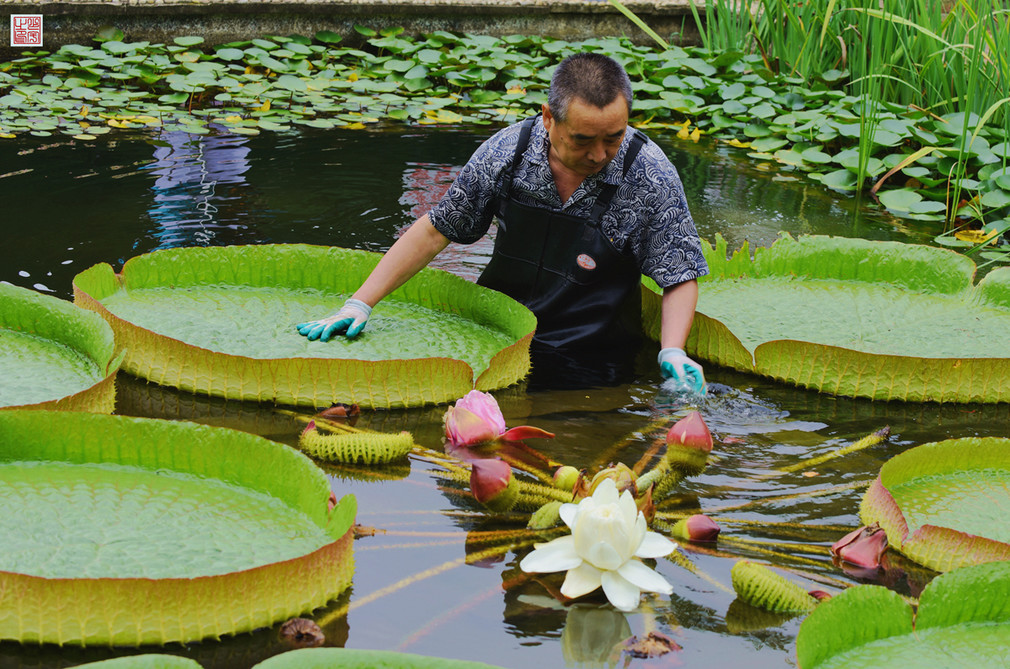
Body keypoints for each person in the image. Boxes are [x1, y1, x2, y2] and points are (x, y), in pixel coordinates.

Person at [297, 52, 709, 393]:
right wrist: (360, 302)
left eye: (613, 138)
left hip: (591, 355)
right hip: (497, 339)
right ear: (549, 118)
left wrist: (671, 350)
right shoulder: (507, 154)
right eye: (582, 140)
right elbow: (437, 229)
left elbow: (679, 272)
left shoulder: (649, 173)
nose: (599, 155)